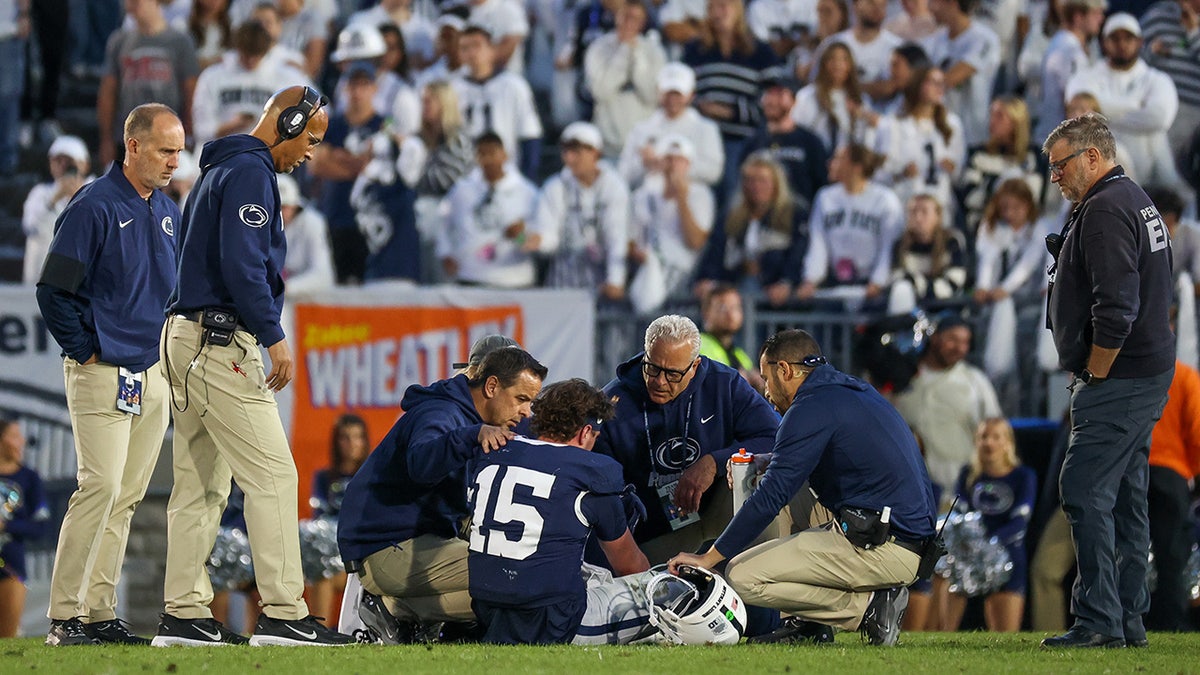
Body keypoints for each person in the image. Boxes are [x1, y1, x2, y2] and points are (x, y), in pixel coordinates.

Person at [158, 86, 352, 647]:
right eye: (310, 137)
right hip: (220, 341)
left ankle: (183, 616)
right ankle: (285, 613)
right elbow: (243, 266)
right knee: (274, 476)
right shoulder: (250, 172)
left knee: (200, 486)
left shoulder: (220, 169)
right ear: (287, 122)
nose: (311, 151)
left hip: (187, 337)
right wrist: (275, 338)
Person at [668, 328, 937, 647]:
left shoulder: (810, 407)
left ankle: (867, 609)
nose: (766, 392)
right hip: (897, 535)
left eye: (767, 379)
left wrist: (709, 559)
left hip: (886, 545)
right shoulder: (847, 390)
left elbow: (770, 497)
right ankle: (806, 624)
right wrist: (767, 460)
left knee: (742, 575)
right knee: (767, 480)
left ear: (784, 370)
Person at [36, 104, 185, 646]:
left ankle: (99, 611)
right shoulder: (93, 206)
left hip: (152, 373)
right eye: (166, 149)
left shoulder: (168, 212)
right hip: (102, 372)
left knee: (125, 495)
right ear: (134, 146)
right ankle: (63, 615)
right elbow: (53, 291)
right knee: (98, 486)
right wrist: (87, 350)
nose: (176, 160)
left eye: (179, 149)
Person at [1041, 112, 1176, 648]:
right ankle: (1128, 618)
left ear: (1092, 157)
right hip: (1144, 371)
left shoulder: (1104, 210)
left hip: (1119, 377)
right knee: (1125, 495)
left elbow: (1117, 307)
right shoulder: (1133, 199)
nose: (1055, 177)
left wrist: (1095, 374)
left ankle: (1099, 620)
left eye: (1060, 166)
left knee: (1082, 487)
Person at [337, 347, 547, 642]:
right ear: (491, 386)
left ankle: (396, 610)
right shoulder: (442, 413)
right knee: (514, 571)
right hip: (386, 547)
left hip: (415, 540)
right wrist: (470, 436)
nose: (526, 411)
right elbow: (421, 464)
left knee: (518, 577)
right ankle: (398, 609)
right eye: (522, 399)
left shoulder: (474, 413)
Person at [468, 378, 655, 644]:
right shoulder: (591, 472)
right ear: (585, 431)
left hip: (489, 611)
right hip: (556, 622)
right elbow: (631, 567)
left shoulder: (498, 451)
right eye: (595, 437)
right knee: (665, 592)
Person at [593, 315, 781, 565]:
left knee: (758, 478)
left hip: (717, 512)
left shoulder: (724, 384)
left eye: (672, 374)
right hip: (651, 531)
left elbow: (775, 437)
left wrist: (714, 462)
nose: (659, 381)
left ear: (694, 367)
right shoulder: (614, 401)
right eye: (652, 368)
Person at [933, 418, 1036, 632]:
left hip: (1006, 557)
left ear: (1008, 442)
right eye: (983, 437)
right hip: (967, 557)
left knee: (1006, 639)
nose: (989, 443)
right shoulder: (968, 474)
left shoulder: (1023, 476)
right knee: (942, 633)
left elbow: (1019, 522)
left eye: (996, 437)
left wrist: (989, 544)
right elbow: (958, 516)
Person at [1065, 13, 1188, 194]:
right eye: (1115, 38)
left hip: (1152, 174)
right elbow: (1077, 105)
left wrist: (1104, 114)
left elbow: (1160, 117)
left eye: (1128, 38)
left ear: (1139, 41)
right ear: (1104, 42)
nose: (1121, 44)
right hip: (1102, 173)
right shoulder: (1086, 76)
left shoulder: (1157, 79)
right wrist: (1137, 107)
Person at [892, 314, 1001, 501]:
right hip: (914, 492)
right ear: (935, 338)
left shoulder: (975, 381)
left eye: (965, 342)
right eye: (952, 340)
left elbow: (997, 432)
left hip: (962, 492)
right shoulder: (903, 379)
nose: (960, 348)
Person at [529, 121, 629, 300]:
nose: (569, 158)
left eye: (576, 152)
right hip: (563, 283)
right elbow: (550, 237)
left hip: (601, 284)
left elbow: (616, 236)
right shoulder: (555, 186)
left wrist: (616, 279)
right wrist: (535, 240)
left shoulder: (613, 187)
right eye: (565, 152)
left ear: (595, 153)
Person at [694, 152, 811, 306]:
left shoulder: (794, 214)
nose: (756, 186)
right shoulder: (731, 217)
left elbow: (799, 253)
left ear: (776, 183)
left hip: (775, 296)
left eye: (762, 181)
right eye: (750, 180)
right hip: (735, 286)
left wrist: (786, 283)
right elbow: (716, 250)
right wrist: (706, 278)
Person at [96, 0, 199, 167]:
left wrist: (188, 133)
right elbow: (108, 92)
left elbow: (191, 91)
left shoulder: (180, 41)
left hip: (168, 135)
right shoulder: (119, 41)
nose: (130, 4)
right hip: (129, 137)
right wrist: (106, 139)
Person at [798, 143, 903, 306]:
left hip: (871, 285)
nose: (830, 163)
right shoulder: (825, 197)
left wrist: (878, 282)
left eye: (838, 159)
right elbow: (818, 244)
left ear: (857, 167)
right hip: (835, 282)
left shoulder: (885, 199)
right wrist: (811, 279)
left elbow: (889, 246)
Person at [437, 132, 539, 288]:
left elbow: (535, 241)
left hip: (513, 278)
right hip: (471, 276)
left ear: (505, 155)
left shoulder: (527, 193)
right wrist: (446, 253)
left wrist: (519, 237)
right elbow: (444, 223)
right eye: (482, 154)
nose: (488, 160)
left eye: (492, 153)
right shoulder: (462, 190)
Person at [190, 19, 313, 148]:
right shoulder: (213, 75)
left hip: (267, 149)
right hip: (222, 148)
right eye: (246, 55)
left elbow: (312, 111)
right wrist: (233, 125)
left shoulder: (286, 76)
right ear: (238, 49)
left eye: (256, 56)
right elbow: (201, 130)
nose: (251, 60)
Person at [1145, 359, 1200, 631]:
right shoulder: (1184, 375)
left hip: (1129, 472)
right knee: (1171, 558)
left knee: (1125, 551)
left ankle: (1123, 623)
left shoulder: (1126, 370)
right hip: (1171, 474)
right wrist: (1192, 471)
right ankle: (1172, 625)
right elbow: (1197, 431)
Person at [451, 24, 543, 179]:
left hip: (508, 172)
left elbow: (529, 134)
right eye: (464, 48)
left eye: (476, 46)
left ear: (491, 49)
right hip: (465, 176)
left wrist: (527, 178)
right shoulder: (453, 88)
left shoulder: (514, 86)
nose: (471, 53)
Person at [617, 62, 725, 189]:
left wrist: (671, 165)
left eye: (678, 94)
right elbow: (623, 174)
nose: (672, 99)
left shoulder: (706, 129)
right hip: (649, 199)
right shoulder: (641, 129)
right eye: (668, 93)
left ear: (691, 95)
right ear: (659, 92)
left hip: (691, 196)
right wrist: (644, 163)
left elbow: (714, 172)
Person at [308, 414, 372, 625]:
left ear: (365, 440)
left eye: (357, 437)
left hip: (365, 560)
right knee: (322, 575)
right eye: (345, 437)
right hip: (333, 558)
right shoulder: (324, 478)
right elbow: (318, 520)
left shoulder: (371, 476)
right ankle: (320, 632)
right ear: (336, 442)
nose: (352, 444)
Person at [583, 0, 666, 157]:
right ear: (617, 16)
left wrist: (637, 55)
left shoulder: (654, 52)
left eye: (635, 18)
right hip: (608, 140)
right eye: (625, 16)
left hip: (644, 143)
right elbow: (600, 92)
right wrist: (623, 51)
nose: (629, 22)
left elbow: (652, 96)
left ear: (643, 22)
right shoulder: (598, 47)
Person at [739, 74, 828, 210]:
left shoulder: (810, 142)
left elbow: (821, 185)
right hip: (761, 216)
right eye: (768, 94)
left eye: (779, 94)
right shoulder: (752, 143)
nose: (772, 100)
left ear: (794, 101)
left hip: (799, 215)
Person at [922, 0, 1000, 147]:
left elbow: (952, 78)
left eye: (934, 2)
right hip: (941, 134)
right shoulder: (933, 41)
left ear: (952, 3)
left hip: (973, 136)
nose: (929, 7)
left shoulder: (985, 39)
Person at [0, 419, 50, 638]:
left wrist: (6, 525)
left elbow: (40, 527)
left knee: (7, 636)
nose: (21, 442)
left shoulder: (29, 478)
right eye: (14, 436)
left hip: (11, 565)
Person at [1032, 0, 1105, 144]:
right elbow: (1077, 103)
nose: (1101, 18)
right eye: (1095, 13)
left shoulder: (1065, 45)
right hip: (1057, 143)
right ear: (1078, 17)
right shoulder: (1068, 50)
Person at [22, 136, 93, 284]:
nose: (62, 166)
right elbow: (30, 227)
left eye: (69, 161)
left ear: (84, 164)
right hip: (42, 279)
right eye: (57, 160)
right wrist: (53, 201)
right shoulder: (40, 193)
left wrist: (79, 198)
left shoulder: (98, 191)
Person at [695, 285, 765, 393]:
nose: (730, 313)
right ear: (706, 313)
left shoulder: (739, 354)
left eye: (735, 307)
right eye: (723, 308)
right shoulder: (697, 346)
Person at [277, 173, 335, 297]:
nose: (278, 212)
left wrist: (287, 287)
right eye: (274, 207)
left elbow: (323, 276)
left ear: (294, 206)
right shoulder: (257, 224)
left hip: (305, 299)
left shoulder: (312, 223)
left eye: (284, 207)